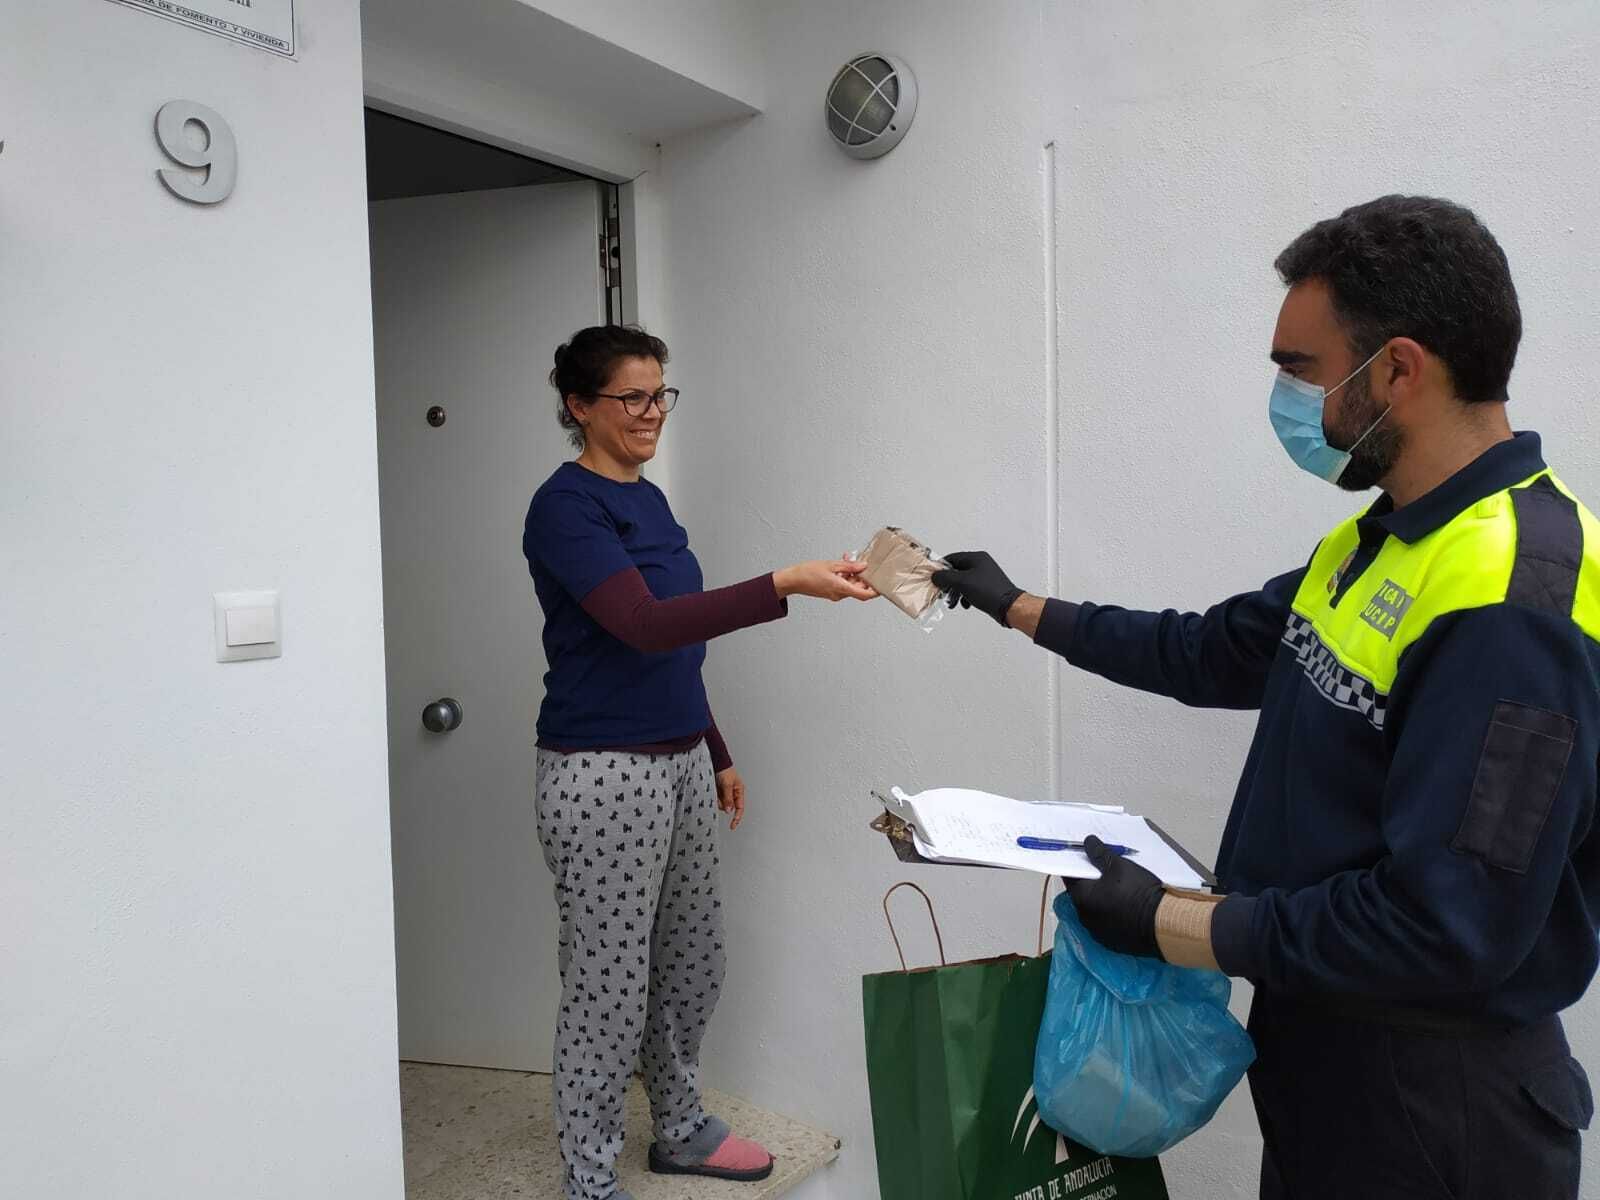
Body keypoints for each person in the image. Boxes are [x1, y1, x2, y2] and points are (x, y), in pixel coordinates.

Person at [934, 196, 1598, 1200]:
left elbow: (1444, 929)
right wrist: (1014, 605)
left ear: (1399, 371)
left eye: (1299, 367)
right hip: (1324, 1061)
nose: (1283, 395)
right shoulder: (1380, 539)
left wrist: (1172, 923)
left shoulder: (1511, 599)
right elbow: (1211, 651)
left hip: (1433, 1109)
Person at [522, 324, 876, 1200]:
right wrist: (785, 582)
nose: (650, 414)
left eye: (659, 395)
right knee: (608, 983)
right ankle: (591, 1175)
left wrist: (714, 748)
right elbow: (642, 624)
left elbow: (673, 647)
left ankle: (677, 1127)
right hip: (601, 769)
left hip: (677, 760)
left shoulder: (650, 500)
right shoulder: (566, 508)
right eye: (630, 398)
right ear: (579, 406)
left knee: (693, 962)